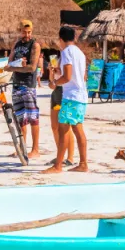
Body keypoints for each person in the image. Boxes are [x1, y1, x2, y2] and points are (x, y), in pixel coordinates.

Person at [43, 26, 88, 174]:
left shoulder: (67, 52)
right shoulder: (80, 53)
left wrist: (55, 82)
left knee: (63, 130)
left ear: (61, 39)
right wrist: (58, 72)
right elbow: (79, 76)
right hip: (81, 96)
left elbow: (68, 77)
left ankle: (58, 166)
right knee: (78, 128)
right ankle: (82, 163)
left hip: (71, 96)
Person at [7, 20, 42, 158]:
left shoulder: (35, 45)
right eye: (24, 32)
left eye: (29, 32)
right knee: (20, 118)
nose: (26, 35)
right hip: (16, 84)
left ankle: (35, 150)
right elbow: (9, 62)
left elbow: (32, 67)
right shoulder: (16, 44)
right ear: (20, 30)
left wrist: (14, 67)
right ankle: (22, 147)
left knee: (33, 117)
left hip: (28, 85)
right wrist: (16, 66)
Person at [48, 83, 75, 167]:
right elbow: (52, 85)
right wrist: (52, 73)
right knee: (54, 127)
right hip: (56, 93)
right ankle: (61, 156)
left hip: (66, 94)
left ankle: (70, 158)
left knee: (67, 127)